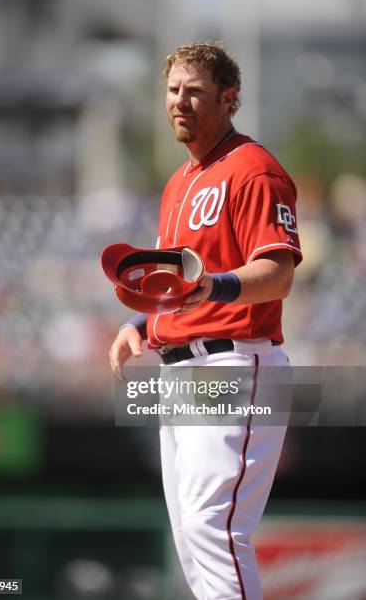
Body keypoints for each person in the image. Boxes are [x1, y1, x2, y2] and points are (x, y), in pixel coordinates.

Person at [109, 41, 302, 600]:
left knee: (211, 529)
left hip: (233, 362)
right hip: (181, 370)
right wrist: (141, 328)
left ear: (229, 97)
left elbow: (278, 271)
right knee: (191, 538)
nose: (180, 102)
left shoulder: (254, 171)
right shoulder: (180, 181)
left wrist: (214, 285)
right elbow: (176, 289)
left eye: (195, 91)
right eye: (173, 90)